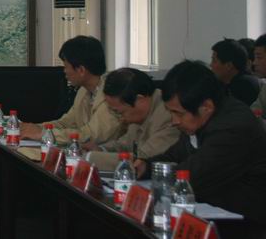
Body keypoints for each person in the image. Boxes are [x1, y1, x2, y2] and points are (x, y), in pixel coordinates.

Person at [135, 60, 266, 222]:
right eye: (171, 112)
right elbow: (174, 156)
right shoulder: (200, 119)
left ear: (206, 107)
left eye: (178, 113)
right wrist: (146, 166)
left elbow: (191, 176)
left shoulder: (234, 127)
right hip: (213, 211)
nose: (174, 121)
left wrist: (157, 178)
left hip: (245, 221)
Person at [20, 36, 124, 145]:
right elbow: (66, 123)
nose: (64, 71)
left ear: (81, 70)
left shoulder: (111, 95)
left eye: (66, 67)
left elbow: (89, 136)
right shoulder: (84, 90)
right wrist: (35, 128)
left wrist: (42, 134)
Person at [84, 68, 179, 171]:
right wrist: (100, 149)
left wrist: (89, 158)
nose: (121, 119)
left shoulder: (169, 116)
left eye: (120, 113)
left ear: (139, 100)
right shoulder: (140, 113)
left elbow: (143, 159)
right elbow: (124, 145)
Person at [209, 38, 259, 106]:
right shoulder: (225, 83)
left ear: (229, 66)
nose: (211, 65)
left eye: (214, 61)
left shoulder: (244, 85)